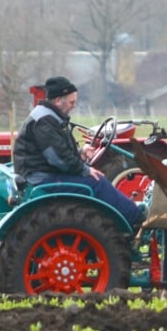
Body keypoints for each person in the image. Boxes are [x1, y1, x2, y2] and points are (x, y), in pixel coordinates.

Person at [12, 76, 144, 227]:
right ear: (57, 101)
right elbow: (58, 159)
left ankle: (119, 220)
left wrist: (80, 153)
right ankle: (136, 219)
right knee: (96, 183)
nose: (74, 106)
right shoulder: (45, 121)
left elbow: (59, 149)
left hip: (42, 172)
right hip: (40, 178)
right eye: (71, 102)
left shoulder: (50, 116)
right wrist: (84, 169)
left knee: (95, 179)